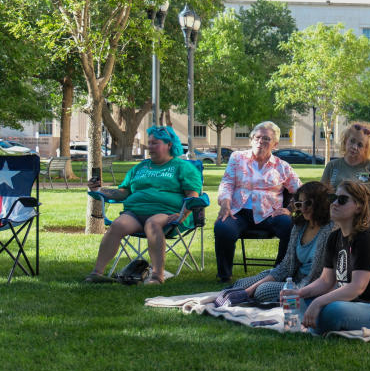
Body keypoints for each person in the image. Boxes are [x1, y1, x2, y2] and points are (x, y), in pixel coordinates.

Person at [84, 126, 202, 284]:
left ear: (169, 145)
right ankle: (97, 273)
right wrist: (99, 190)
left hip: (168, 214)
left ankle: (157, 276)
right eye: (150, 143)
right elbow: (123, 193)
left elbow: (193, 195)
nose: (150, 147)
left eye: (155, 143)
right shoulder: (139, 168)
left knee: (152, 223)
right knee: (117, 225)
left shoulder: (183, 167)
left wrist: (184, 214)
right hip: (134, 213)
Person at [282, 180, 370, 333]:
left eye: (342, 200)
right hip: (352, 304)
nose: (334, 203)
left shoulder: (365, 237)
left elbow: (357, 287)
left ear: (358, 206)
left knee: (332, 311)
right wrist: (298, 293)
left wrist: (318, 302)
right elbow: (325, 281)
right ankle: (316, 321)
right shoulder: (334, 238)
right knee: (298, 301)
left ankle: (316, 321)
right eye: (333, 198)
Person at [214, 121, 301, 284]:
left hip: (270, 214)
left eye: (266, 139)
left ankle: (278, 272)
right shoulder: (237, 158)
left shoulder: (282, 166)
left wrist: (289, 209)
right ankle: (224, 275)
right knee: (223, 226)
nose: (261, 141)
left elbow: (301, 191)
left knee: (290, 226)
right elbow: (227, 183)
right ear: (251, 139)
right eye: (257, 137)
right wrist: (225, 203)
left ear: (275, 144)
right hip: (239, 211)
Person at [228, 181, 334, 303]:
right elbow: (286, 266)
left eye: (308, 203)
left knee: (263, 291)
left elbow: (318, 277)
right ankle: (242, 295)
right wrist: (248, 290)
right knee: (242, 284)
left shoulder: (330, 229)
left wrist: (253, 290)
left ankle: (253, 297)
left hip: (309, 284)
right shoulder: (299, 226)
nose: (303, 209)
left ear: (320, 203)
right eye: (299, 204)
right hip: (292, 277)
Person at [320, 121, 370, 237]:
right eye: (352, 141)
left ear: (366, 148)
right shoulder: (332, 166)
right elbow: (322, 196)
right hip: (336, 216)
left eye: (360, 145)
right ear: (345, 140)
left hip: (364, 219)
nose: (354, 147)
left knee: (341, 232)